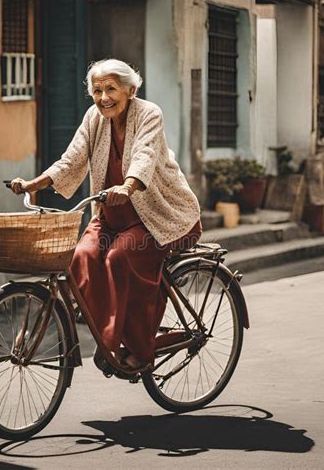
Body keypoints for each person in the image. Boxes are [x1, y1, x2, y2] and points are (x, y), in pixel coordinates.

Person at [11, 59, 202, 371]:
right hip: (111, 217)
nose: (103, 97)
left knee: (118, 258)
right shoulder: (94, 119)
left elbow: (145, 154)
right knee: (80, 258)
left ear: (130, 90)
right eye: (97, 90)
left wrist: (127, 186)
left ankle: (139, 350)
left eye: (111, 89)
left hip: (161, 217)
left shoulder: (149, 114)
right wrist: (35, 183)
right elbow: (72, 158)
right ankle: (108, 338)